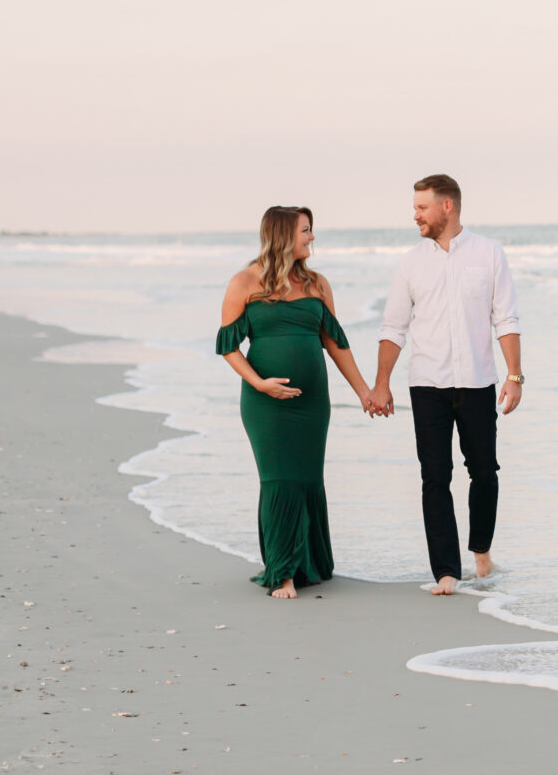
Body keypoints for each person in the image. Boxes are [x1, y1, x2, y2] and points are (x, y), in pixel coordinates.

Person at [367, 174, 524, 595]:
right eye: (415, 207)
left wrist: (514, 375)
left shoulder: (489, 254)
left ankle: (482, 555)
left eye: (422, 207)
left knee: (485, 472)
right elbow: (394, 327)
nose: (414, 214)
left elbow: (505, 319)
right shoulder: (410, 264)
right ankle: (446, 572)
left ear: (447, 207)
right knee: (434, 477)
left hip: (477, 383)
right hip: (427, 384)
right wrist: (381, 383)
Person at [216, 205, 378, 599]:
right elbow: (227, 346)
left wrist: (364, 391)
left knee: (307, 479)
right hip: (265, 404)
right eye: (306, 230)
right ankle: (283, 572)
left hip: (312, 404)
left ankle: (310, 562)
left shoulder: (318, 284)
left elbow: (335, 344)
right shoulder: (245, 281)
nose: (311, 237)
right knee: (279, 480)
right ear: (283, 234)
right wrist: (260, 384)